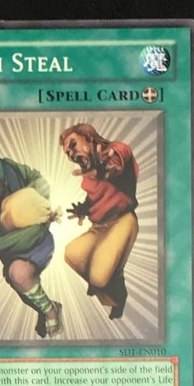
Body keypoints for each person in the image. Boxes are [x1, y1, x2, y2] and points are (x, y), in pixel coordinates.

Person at [0, 150, 63, 338]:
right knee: (19, 280)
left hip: (42, 245)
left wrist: (36, 204)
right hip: (14, 254)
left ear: (1, 180)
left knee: (19, 276)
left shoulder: (10, 169)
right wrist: (37, 228)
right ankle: (49, 307)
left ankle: (49, 312)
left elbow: (39, 180)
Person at [60, 123, 139, 319]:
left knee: (99, 277)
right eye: (67, 152)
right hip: (98, 227)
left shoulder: (116, 151)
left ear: (89, 138)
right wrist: (84, 208)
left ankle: (118, 297)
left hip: (122, 222)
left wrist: (103, 168)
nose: (71, 154)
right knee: (71, 254)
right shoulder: (88, 171)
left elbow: (117, 164)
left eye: (73, 144)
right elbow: (96, 196)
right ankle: (102, 283)